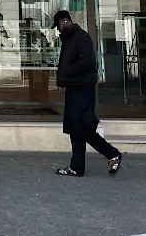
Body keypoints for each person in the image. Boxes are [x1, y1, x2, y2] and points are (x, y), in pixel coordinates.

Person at [52, 10, 122, 177]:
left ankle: (112, 154)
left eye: (59, 26)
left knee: (83, 127)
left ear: (65, 21)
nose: (58, 30)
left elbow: (88, 63)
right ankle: (76, 167)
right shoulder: (70, 39)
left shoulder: (80, 37)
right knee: (75, 129)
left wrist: (66, 73)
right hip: (73, 88)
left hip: (82, 89)